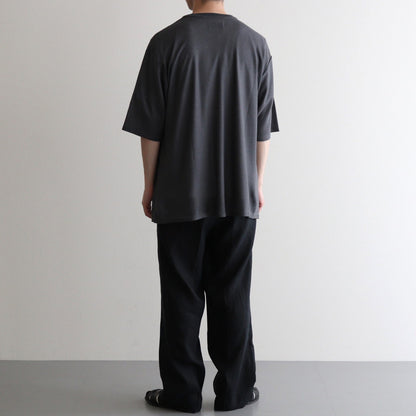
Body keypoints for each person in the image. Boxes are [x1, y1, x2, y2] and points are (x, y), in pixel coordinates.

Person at [122, 0, 279, 412]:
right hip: (238, 195)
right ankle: (236, 391)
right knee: (233, 295)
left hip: (179, 193)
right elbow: (261, 128)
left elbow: (151, 128)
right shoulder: (255, 44)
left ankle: (182, 393)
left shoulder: (166, 43)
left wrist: (149, 185)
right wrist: (256, 183)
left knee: (181, 295)